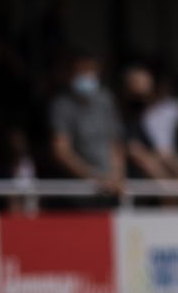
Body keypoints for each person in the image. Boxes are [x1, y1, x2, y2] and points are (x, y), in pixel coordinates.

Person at [48, 52, 125, 201]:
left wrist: (117, 175)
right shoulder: (61, 105)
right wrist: (94, 178)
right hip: (79, 191)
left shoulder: (105, 100)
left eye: (91, 71)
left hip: (111, 187)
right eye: (81, 71)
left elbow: (116, 144)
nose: (87, 76)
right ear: (71, 73)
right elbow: (61, 151)